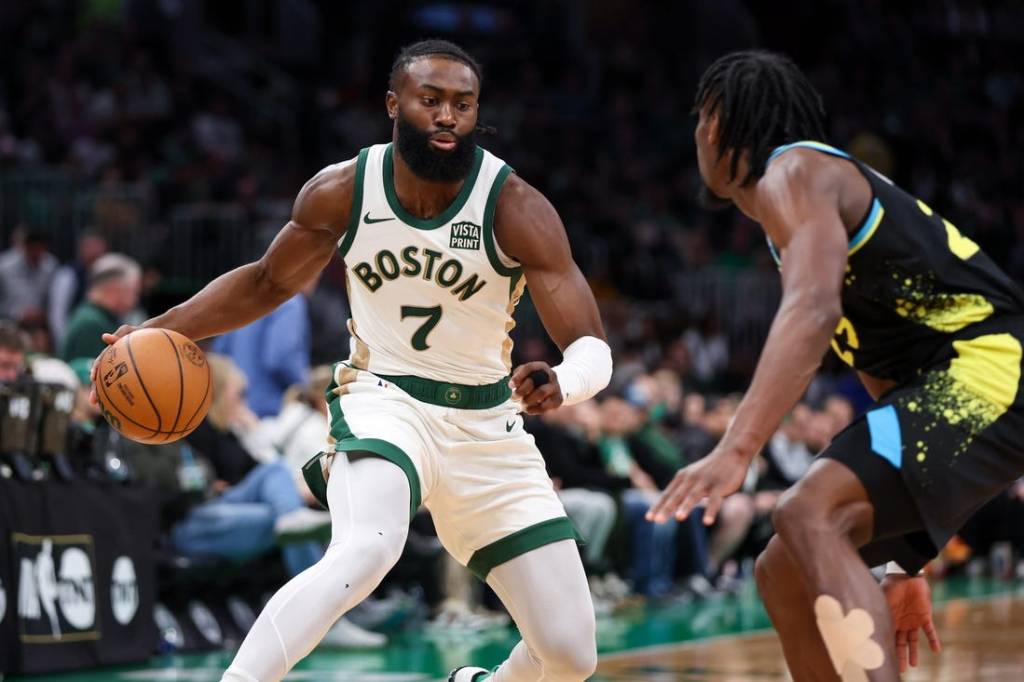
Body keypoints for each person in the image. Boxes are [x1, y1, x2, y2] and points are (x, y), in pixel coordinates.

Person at [95, 39, 612, 682]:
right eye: (431, 101)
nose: (448, 116)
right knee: (366, 550)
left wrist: (562, 381)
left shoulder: (515, 207)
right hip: (385, 398)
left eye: (463, 104)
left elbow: (593, 345)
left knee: (569, 654)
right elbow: (265, 283)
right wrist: (155, 329)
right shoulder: (342, 191)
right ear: (394, 105)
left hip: (487, 427)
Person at [648, 50, 1024, 681]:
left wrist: (736, 449)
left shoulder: (792, 173)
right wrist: (908, 561)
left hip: (990, 368)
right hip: (971, 384)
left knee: (804, 511)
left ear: (713, 124)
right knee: (783, 569)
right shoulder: (800, 205)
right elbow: (893, 391)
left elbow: (813, 310)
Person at [59, 253, 141, 361]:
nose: (136, 300)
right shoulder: (90, 324)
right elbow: (93, 375)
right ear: (114, 289)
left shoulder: (97, 317)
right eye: (134, 292)